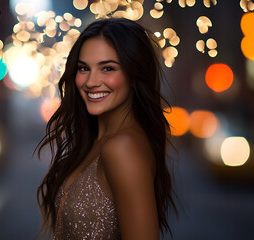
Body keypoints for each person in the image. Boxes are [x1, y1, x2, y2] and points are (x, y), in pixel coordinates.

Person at [36, 18, 177, 239]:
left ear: (134, 73)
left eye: (107, 68)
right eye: (84, 68)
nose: (91, 81)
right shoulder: (99, 141)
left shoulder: (122, 147)